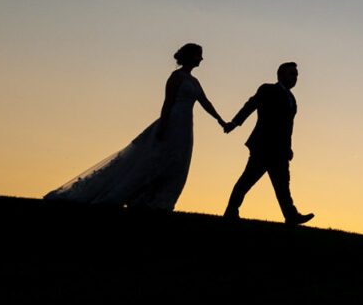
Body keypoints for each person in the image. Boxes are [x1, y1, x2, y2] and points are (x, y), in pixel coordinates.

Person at [45, 43, 229, 208]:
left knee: (177, 162)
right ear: (190, 56)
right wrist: (164, 125)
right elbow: (168, 102)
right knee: (154, 160)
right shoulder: (176, 77)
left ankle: (158, 200)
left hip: (186, 127)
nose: (202, 59)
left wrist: (220, 120)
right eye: (199, 55)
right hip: (172, 121)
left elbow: (205, 102)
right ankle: (124, 194)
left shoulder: (195, 81)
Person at [223, 61, 313, 225]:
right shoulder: (268, 89)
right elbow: (250, 105)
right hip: (263, 146)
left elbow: (287, 127)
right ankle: (231, 211)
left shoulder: (292, 98)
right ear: (281, 75)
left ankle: (291, 216)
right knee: (247, 180)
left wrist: (288, 147)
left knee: (283, 185)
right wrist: (234, 123)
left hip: (279, 150)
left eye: (296, 75)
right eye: (292, 74)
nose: (295, 78)